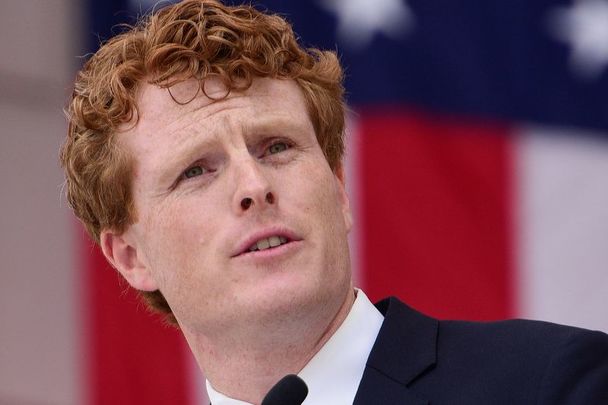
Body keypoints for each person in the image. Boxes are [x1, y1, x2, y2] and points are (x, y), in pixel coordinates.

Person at [61, 1, 608, 404]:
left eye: (277, 147)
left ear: (340, 191)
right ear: (131, 257)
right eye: (197, 171)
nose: (254, 186)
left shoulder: (551, 384)